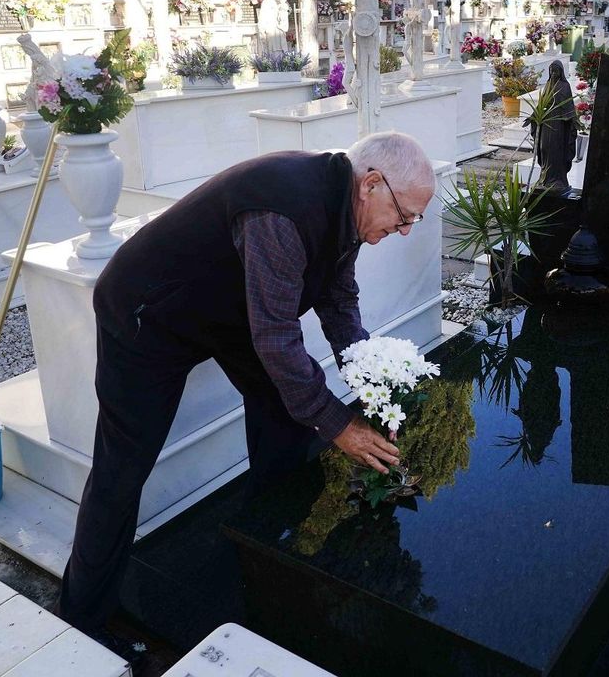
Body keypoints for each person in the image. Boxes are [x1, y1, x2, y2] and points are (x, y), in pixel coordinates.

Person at [58, 132, 437, 638]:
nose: (407, 230)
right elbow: (277, 339)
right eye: (405, 216)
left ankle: (262, 545)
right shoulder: (282, 207)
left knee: (284, 417)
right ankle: (83, 617)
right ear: (371, 184)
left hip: (230, 311)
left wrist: (372, 386)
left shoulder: (347, 208)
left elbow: (340, 303)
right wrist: (339, 424)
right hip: (149, 313)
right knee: (122, 468)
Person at [523, 60, 576, 193]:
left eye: (555, 71)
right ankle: (544, 178)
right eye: (551, 71)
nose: (553, 74)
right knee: (544, 148)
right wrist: (533, 117)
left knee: (556, 151)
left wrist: (571, 119)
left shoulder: (565, 86)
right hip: (546, 123)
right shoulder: (547, 85)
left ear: (561, 72)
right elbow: (542, 103)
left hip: (558, 125)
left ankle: (557, 180)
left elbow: (569, 107)